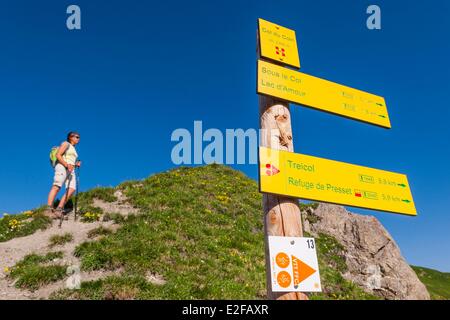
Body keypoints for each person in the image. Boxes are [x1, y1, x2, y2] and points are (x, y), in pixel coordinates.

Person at [45, 132, 81, 219]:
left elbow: (70, 160)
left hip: (70, 169)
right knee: (57, 186)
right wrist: (66, 164)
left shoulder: (74, 149)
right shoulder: (66, 143)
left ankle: (59, 209)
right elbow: (58, 155)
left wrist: (76, 164)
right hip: (62, 166)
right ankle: (48, 209)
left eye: (78, 137)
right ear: (70, 137)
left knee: (72, 189)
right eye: (76, 137)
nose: (78, 139)